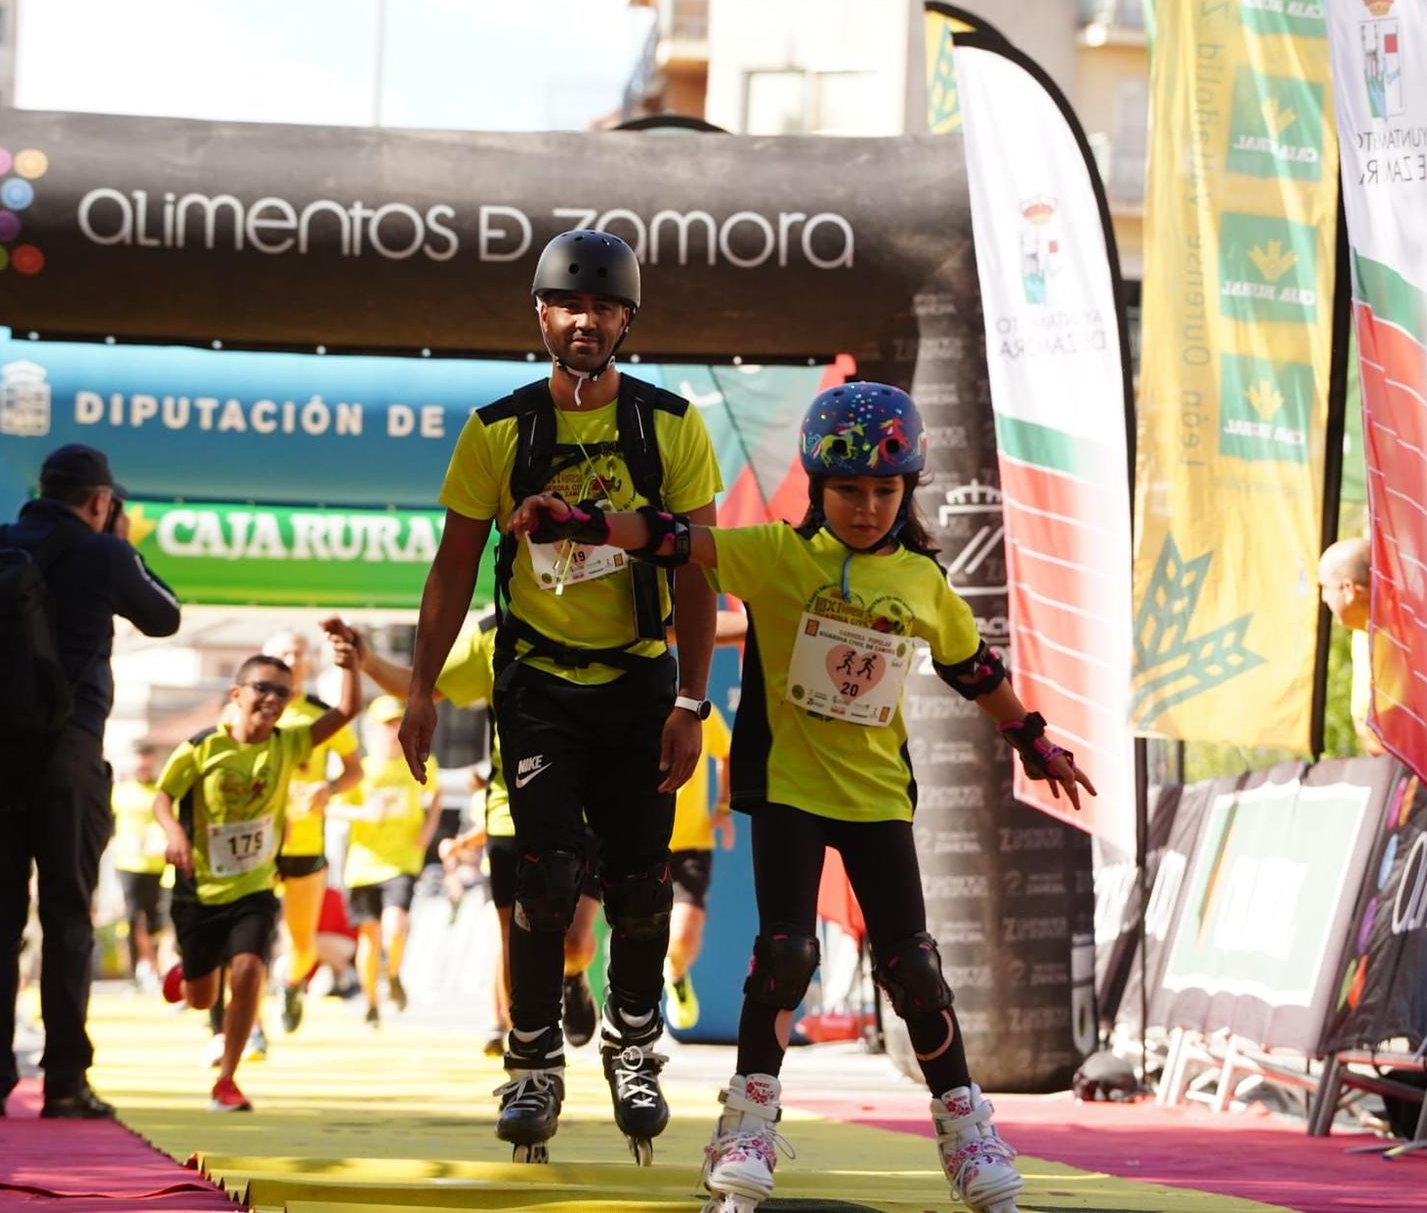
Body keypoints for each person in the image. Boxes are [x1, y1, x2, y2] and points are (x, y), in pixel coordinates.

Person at [508, 381, 1096, 1213]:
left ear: (907, 491)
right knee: (786, 955)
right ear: (818, 487)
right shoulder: (780, 555)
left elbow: (976, 669)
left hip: (878, 798)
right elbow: (676, 539)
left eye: (885, 492)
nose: (866, 508)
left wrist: (1032, 741)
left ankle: (967, 1133)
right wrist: (582, 522)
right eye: (849, 490)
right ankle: (745, 1126)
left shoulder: (922, 578)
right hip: (790, 789)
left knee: (914, 967)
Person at [398, 230, 723, 1163]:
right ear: (540, 314)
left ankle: (633, 1047)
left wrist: (692, 702)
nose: (586, 321)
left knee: (638, 886)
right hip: (535, 683)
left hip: (638, 681)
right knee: (542, 881)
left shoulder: (671, 423)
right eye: (568, 305)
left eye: (604, 307)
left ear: (627, 320)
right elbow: (454, 564)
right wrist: (422, 692)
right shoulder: (498, 429)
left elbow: (702, 569)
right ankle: (534, 1059)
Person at [0, 443, 181, 1120]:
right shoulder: (105, 550)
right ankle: (64, 1081)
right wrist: (118, 545)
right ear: (100, 500)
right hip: (69, 752)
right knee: (66, 914)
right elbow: (165, 614)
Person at [334, 613, 607, 1058]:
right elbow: (421, 685)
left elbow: (687, 624)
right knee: (510, 936)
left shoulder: (608, 598)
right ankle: (526, 1053)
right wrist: (366, 659)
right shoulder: (492, 632)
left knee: (573, 943)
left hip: (586, 808)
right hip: (510, 810)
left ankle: (573, 976)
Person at [154, 634, 361, 1112]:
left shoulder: (290, 744)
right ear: (237, 694)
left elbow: (347, 711)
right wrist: (175, 835)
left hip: (254, 885)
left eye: (282, 693)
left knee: (248, 970)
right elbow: (162, 797)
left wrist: (349, 661)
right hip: (200, 887)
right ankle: (188, 973)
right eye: (263, 688)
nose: (272, 700)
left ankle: (227, 1079)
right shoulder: (202, 748)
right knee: (203, 998)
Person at [264, 629, 365, 1036]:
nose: (292, 658)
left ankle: (291, 983)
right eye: (284, 651)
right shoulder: (253, 710)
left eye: (300, 653)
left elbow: (355, 771)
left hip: (306, 845)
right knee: (248, 942)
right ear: (266, 659)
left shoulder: (324, 715)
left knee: (302, 946)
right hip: (257, 845)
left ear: (310, 663)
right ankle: (248, 1029)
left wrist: (331, 788)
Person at [330, 695, 442, 1027]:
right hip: (363, 863)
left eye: (397, 723)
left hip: (403, 859)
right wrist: (361, 813)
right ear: (372, 729)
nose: (393, 730)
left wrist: (428, 828)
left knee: (396, 926)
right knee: (370, 936)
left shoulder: (420, 761)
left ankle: (392, 973)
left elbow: (436, 794)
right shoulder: (360, 769)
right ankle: (370, 1001)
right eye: (387, 724)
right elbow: (329, 805)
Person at [665, 703, 734, 1031]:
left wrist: (723, 805)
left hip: (692, 844)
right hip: (641, 840)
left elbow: (727, 754)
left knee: (684, 934)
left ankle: (676, 975)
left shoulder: (702, 713)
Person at [110, 739, 172, 989]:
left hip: (158, 866)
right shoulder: (120, 792)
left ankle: (155, 965)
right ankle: (140, 967)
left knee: (157, 920)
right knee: (133, 916)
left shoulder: (162, 792)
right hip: (128, 863)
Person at [1316, 537, 1387, 756]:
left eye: (1325, 587)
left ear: (1349, 589)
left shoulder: (1403, 638)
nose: (1323, 597)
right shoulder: (1360, 631)